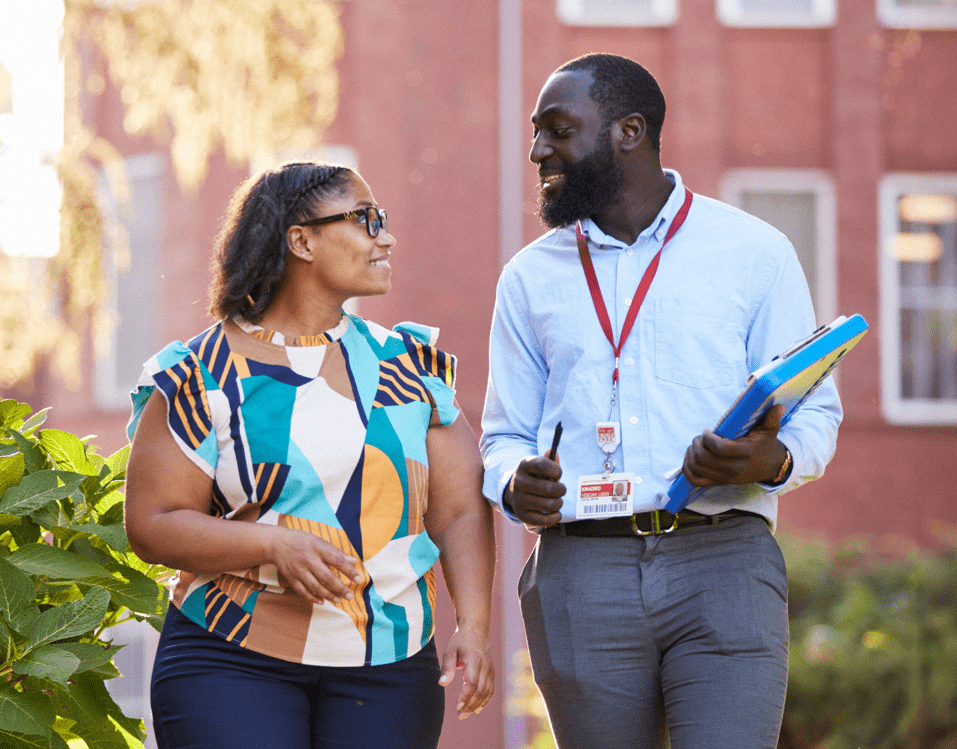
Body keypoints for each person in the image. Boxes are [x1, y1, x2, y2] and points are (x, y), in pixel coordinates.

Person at [480, 54, 842, 749]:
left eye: (557, 130)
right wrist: (512, 482)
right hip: (580, 567)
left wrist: (768, 460)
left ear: (629, 131)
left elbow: (813, 412)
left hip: (723, 558)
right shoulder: (527, 278)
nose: (536, 151)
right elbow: (503, 436)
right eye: (535, 133)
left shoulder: (753, 252)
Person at [125, 162, 495, 749]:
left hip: (390, 667)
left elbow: (459, 511)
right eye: (366, 220)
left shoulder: (413, 367)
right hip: (231, 655)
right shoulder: (201, 375)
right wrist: (272, 543)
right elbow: (152, 524)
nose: (386, 236)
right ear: (301, 241)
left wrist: (473, 626)